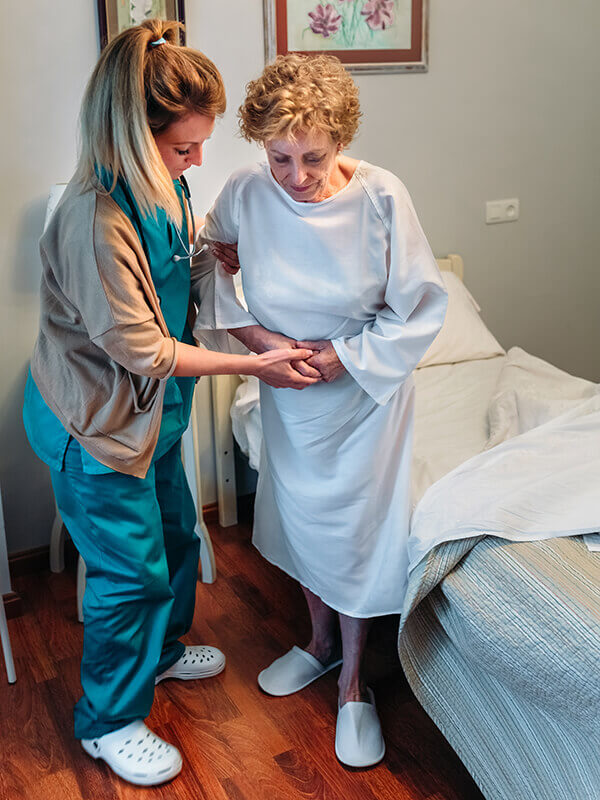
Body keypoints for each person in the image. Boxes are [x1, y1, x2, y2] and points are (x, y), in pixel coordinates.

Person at [22, 21, 317, 787]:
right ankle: (108, 721)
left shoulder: (166, 184)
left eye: (201, 145)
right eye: (184, 147)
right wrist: (257, 360)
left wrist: (210, 250)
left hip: (154, 413)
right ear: (132, 130)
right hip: (97, 426)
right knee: (130, 576)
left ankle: (159, 655)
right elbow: (144, 349)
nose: (196, 161)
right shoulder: (94, 217)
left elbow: (174, 262)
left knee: (178, 539)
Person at [194, 54, 448, 768]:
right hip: (287, 394)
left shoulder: (381, 198)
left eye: (313, 157)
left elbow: (421, 308)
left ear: (340, 141)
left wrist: (342, 358)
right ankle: (317, 642)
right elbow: (208, 264)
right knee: (302, 520)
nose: (296, 177)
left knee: (357, 534)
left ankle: (353, 684)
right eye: (280, 157)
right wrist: (259, 339)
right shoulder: (247, 189)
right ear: (259, 144)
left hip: (364, 396)